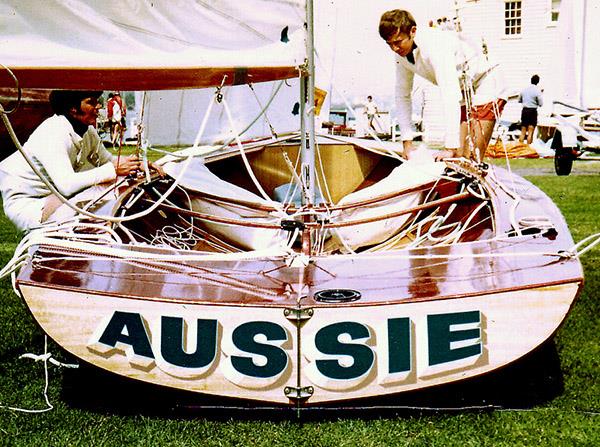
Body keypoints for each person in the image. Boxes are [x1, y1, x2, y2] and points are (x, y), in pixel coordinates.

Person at [0, 90, 157, 231]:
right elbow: (67, 186)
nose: (99, 107)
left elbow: (107, 160)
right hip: (30, 203)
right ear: (72, 108)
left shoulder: (87, 131)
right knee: (93, 208)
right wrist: (113, 170)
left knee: (111, 191)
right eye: (91, 102)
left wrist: (138, 164)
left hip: (56, 196)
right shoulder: (53, 133)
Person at [379, 9, 508, 161]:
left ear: (413, 31)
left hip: (486, 80)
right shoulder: (400, 55)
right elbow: (403, 96)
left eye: (398, 42)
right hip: (463, 90)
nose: (394, 48)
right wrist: (407, 143)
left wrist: (449, 148)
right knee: (459, 159)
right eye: (389, 44)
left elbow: (449, 93)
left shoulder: (435, 44)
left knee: (472, 159)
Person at [518, 75, 543, 145]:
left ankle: (519, 148)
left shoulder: (524, 89)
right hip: (532, 111)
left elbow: (519, 100)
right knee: (530, 132)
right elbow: (541, 104)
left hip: (524, 111)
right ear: (538, 82)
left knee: (523, 131)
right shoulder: (537, 91)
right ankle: (528, 149)